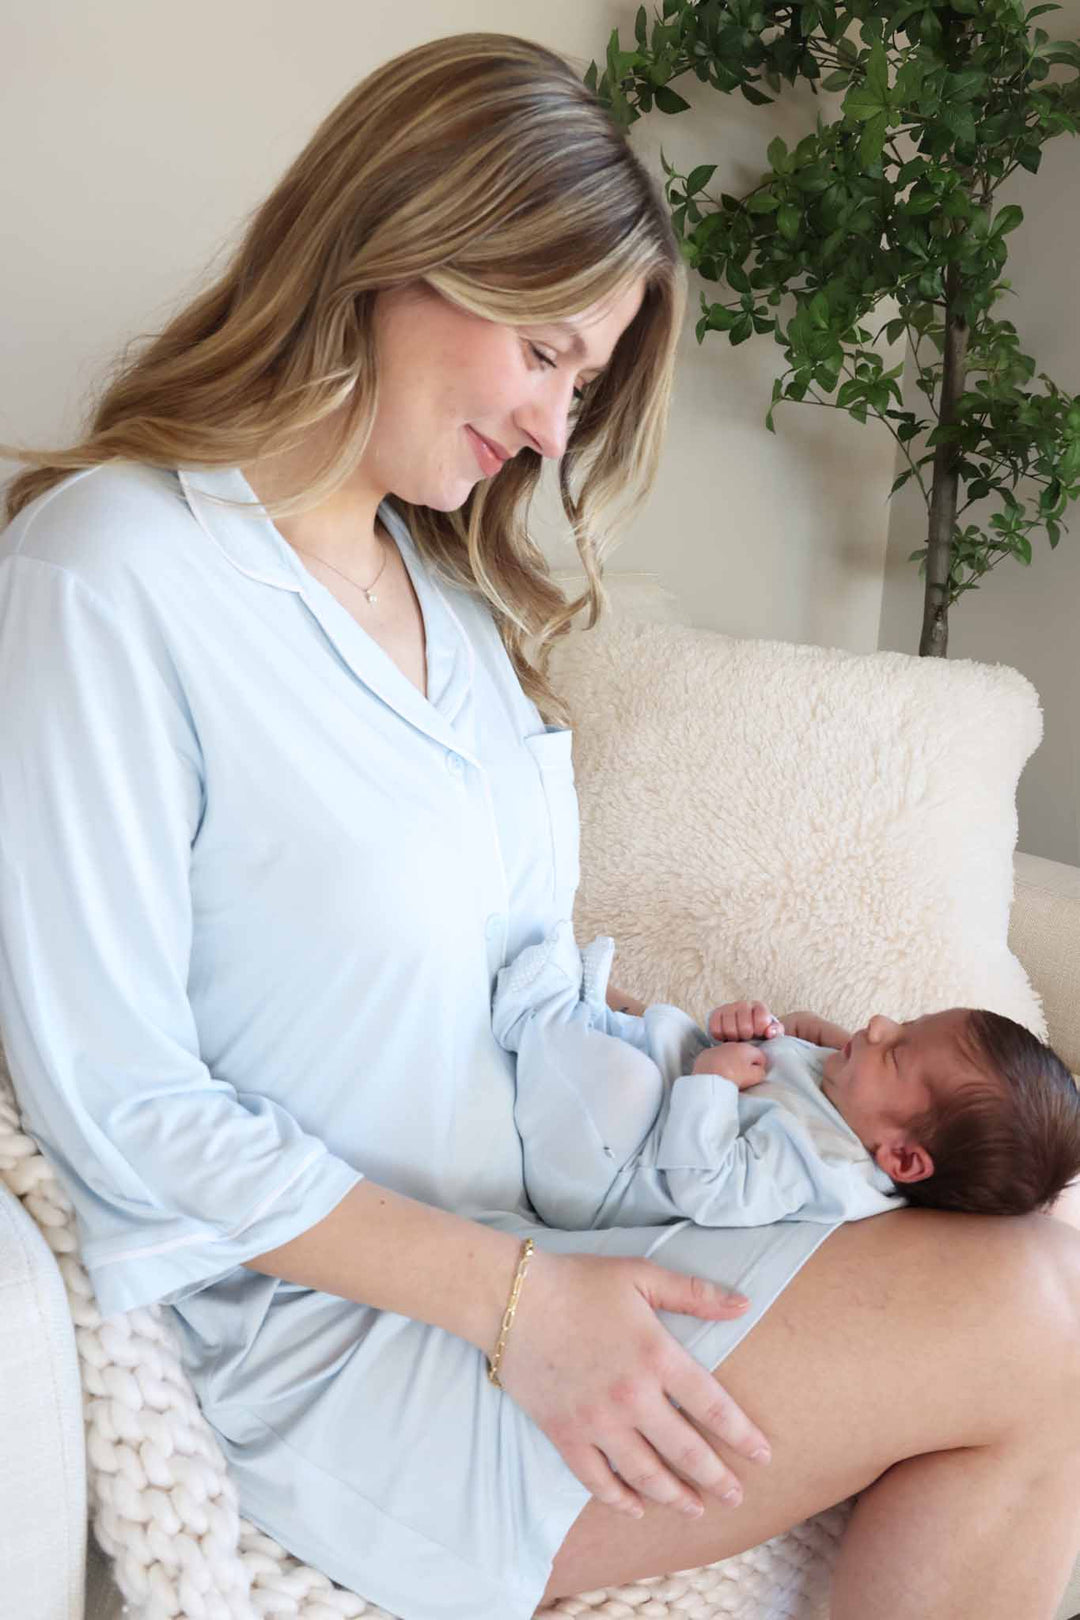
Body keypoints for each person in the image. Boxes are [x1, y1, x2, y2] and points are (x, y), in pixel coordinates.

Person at [1, 30, 1080, 1620]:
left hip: (563, 1246)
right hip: (358, 1348)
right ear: (406, 247)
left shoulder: (451, 610)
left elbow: (494, 996)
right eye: (550, 355)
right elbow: (117, 1100)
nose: (559, 429)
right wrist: (521, 1303)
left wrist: (702, 1073)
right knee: (1026, 1323)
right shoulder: (115, 573)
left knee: (1052, 1250)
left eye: (587, 381)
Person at [492, 922, 1080, 1228]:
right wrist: (756, 1029)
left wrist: (715, 1083)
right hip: (646, 1121)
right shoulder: (858, 1102)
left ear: (901, 1159)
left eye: (897, 1052)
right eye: (907, 1023)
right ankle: (584, 1009)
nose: (878, 1025)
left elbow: (707, 1185)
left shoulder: (822, 1170)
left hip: (605, 1184)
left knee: (630, 1079)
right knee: (666, 1032)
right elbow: (783, 1053)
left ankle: (533, 1015)